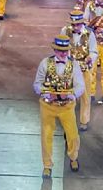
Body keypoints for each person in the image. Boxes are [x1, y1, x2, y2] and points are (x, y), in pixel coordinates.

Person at [33, 36, 84, 176]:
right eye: (60, 51)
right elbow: (37, 84)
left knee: (72, 135)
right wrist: (46, 94)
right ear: (55, 50)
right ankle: (47, 165)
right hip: (48, 106)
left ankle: (73, 157)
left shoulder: (74, 65)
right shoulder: (45, 63)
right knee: (46, 135)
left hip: (67, 106)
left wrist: (71, 95)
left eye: (65, 51)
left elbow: (80, 86)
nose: (63, 53)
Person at [63, 10, 97, 130]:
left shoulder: (89, 34)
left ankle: (84, 120)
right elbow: (62, 48)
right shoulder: (65, 31)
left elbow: (94, 51)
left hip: (83, 68)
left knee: (85, 96)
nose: (75, 27)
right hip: (69, 67)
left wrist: (90, 58)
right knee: (68, 95)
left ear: (82, 23)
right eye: (73, 24)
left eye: (77, 24)